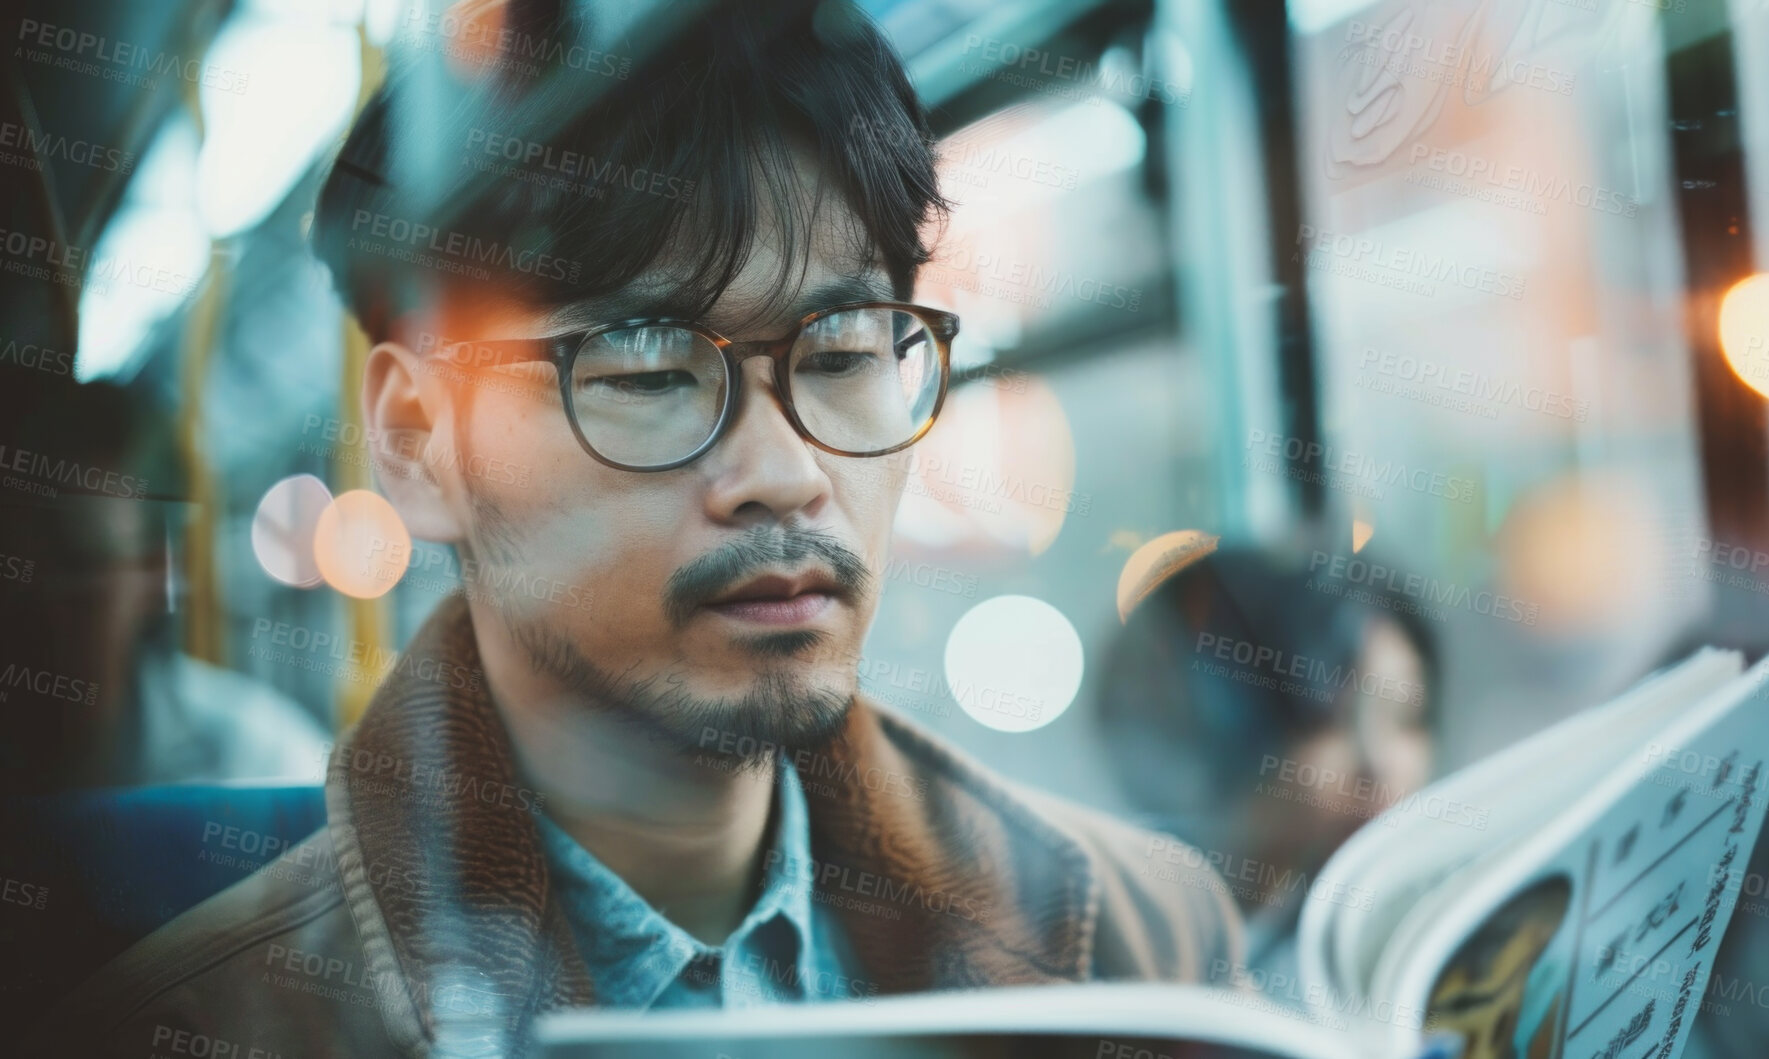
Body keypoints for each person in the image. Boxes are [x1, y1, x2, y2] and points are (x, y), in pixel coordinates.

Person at [32, 3, 1239, 1055]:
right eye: (651, 367)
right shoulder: (200, 1023)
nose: (783, 474)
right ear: (415, 441)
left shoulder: (1140, 942)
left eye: (844, 351)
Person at [1097, 546, 1437, 982]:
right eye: (1332, 720)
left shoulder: (1418, 931)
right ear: (1232, 728)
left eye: (1407, 719)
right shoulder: (1142, 919)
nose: (1378, 766)